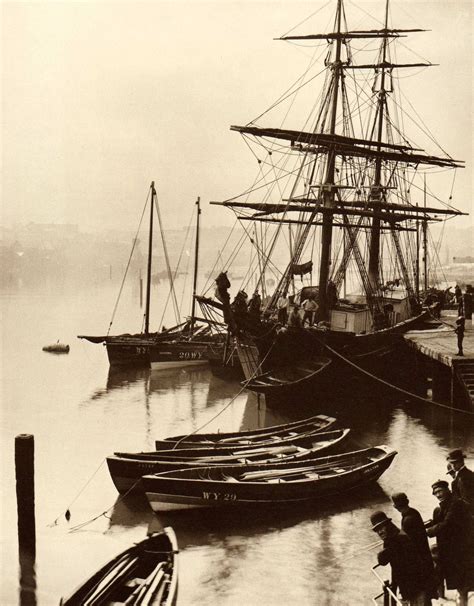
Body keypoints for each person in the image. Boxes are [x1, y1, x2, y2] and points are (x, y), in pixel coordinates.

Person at [426, 480, 472, 605]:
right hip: (453, 550)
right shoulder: (446, 504)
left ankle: (462, 603)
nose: (438, 495)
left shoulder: (456, 504)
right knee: (459, 581)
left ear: (447, 490)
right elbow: (441, 519)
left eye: (440, 491)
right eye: (435, 493)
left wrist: (428, 531)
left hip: (461, 550)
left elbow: (448, 524)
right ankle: (453, 598)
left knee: (462, 583)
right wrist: (425, 524)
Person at [370, 511, 428, 605]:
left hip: (417, 586)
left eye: (381, 528)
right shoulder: (393, 538)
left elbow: (382, 560)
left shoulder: (398, 540)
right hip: (409, 586)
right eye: (377, 530)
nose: (380, 532)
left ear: (388, 525)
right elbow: (393, 564)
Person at [391, 492, 437, 601]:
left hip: (419, 563)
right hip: (425, 558)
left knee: (420, 593)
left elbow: (408, 544)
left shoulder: (407, 520)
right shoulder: (413, 512)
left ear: (396, 507)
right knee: (426, 593)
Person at [446, 449, 474, 515]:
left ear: (462, 462)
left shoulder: (463, 478)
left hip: (466, 514)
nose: (453, 466)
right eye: (451, 463)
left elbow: (467, 500)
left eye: (456, 463)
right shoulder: (469, 474)